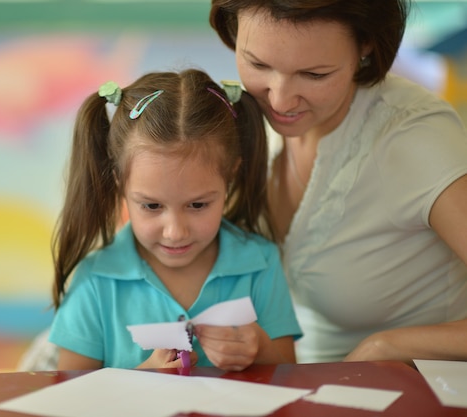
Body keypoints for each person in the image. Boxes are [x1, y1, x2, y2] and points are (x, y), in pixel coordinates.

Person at [209, 0, 467, 365]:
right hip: (309, 382)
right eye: (258, 64)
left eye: (314, 75)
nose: (280, 100)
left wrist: (389, 347)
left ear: (366, 45)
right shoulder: (249, 116)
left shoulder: (414, 139)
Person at [48, 69, 302, 371]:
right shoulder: (95, 280)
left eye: (197, 204)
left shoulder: (260, 263)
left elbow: (290, 376)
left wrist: (260, 348)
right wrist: (143, 378)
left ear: (231, 176)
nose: (175, 232)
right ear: (119, 183)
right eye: (152, 205)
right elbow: (74, 398)